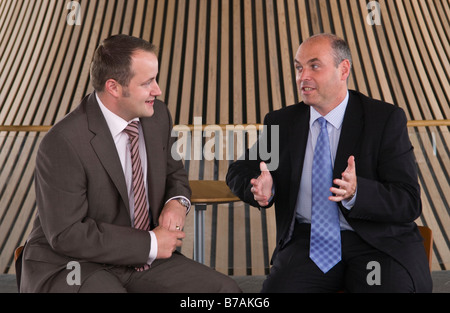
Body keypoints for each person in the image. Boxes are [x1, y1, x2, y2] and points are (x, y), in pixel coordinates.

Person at [19, 34, 241, 293]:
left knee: (225, 292)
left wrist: (177, 204)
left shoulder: (158, 116)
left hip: (140, 261)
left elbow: (175, 175)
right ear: (114, 87)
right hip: (74, 263)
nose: (157, 90)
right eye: (147, 82)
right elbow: (67, 234)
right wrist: (150, 243)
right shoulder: (63, 142)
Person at [226, 33, 432, 293]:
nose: (303, 76)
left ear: (343, 69)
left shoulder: (384, 120)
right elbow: (239, 171)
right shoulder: (282, 123)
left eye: (314, 66)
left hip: (375, 244)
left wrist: (358, 192)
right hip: (310, 244)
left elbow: (408, 200)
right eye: (299, 68)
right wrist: (259, 186)